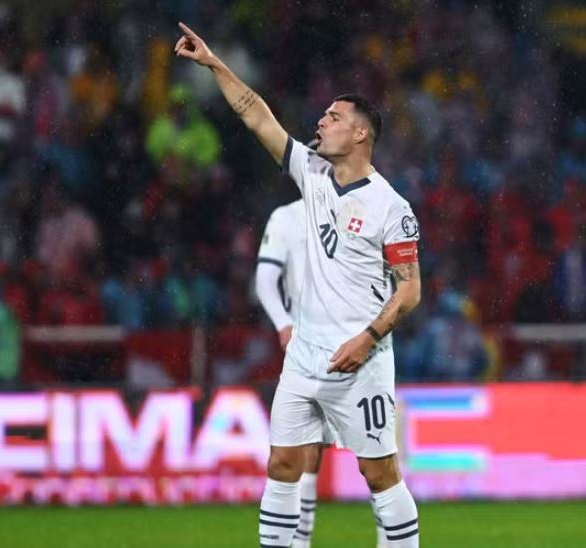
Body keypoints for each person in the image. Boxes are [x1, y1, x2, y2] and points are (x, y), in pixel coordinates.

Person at [175, 23, 422, 548]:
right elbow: (255, 115)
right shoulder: (311, 173)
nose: (321, 121)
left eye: (334, 117)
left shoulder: (391, 208)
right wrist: (214, 64)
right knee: (282, 464)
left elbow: (410, 291)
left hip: (360, 361)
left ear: (360, 134)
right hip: (305, 356)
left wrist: (367, 340)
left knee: (379, 473)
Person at [255, 198, 387, 547]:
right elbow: (266, 279)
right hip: (309, 348)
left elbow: (387, 278)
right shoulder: (286, 216)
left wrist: (376, 332)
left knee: (378, 457)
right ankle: (300, 543)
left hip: (362, 347)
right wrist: (283, 324)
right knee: (303, 450)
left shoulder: (366, 212)